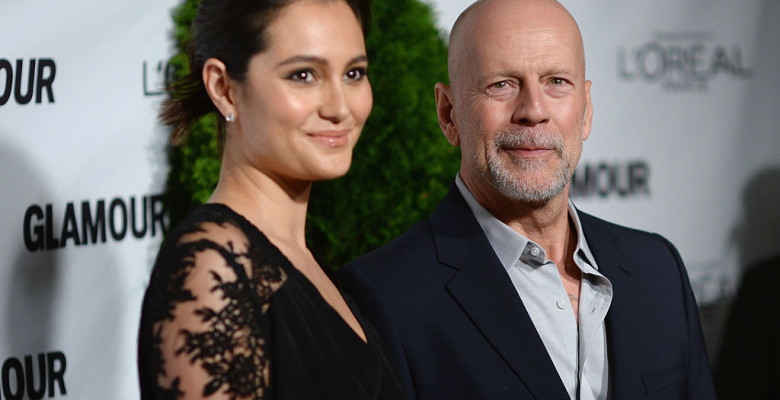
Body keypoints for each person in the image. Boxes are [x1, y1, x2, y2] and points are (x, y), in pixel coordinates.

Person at [339, 0, 716, 399]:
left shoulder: (658, 270)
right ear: (449, 114)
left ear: (586, 110)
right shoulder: (381, 298)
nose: (534, 111)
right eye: (501, 84)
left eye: (556, 82)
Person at [137, 0, 404, 399]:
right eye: (303, 75)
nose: (340, 107)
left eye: (353, 73)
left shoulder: (305, 263)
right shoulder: (214, 270)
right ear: (223, 88)